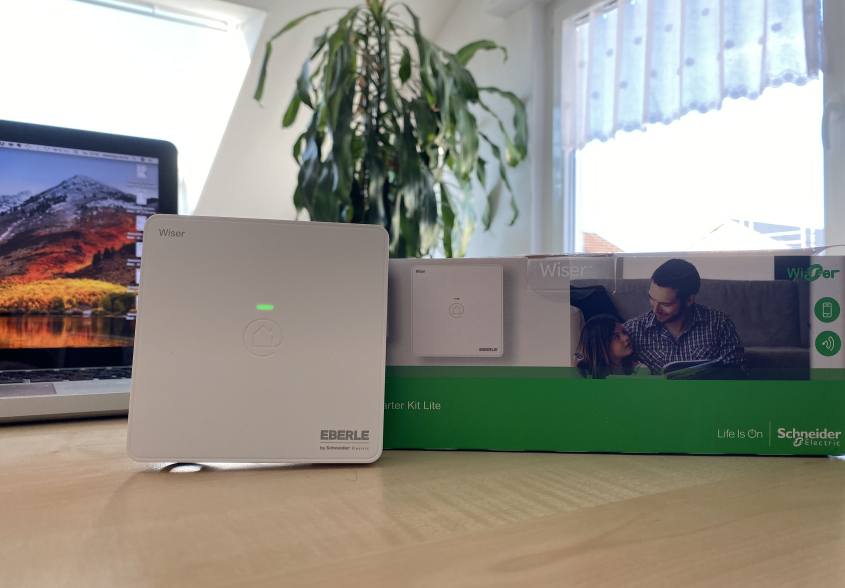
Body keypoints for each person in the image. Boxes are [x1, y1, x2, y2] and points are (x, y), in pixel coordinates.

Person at [623, 258, 745, 371]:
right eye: (652, 299)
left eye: (666, 304)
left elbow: (738, 374)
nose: (655, 310)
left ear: (689, 300)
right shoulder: (632, 330)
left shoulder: (719, 323)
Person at [576, 314, 648, 378]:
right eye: (616, 337)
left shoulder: (639, 371)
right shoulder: (582, 373)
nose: (626, 337)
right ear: (601, 346)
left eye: (624, 332)